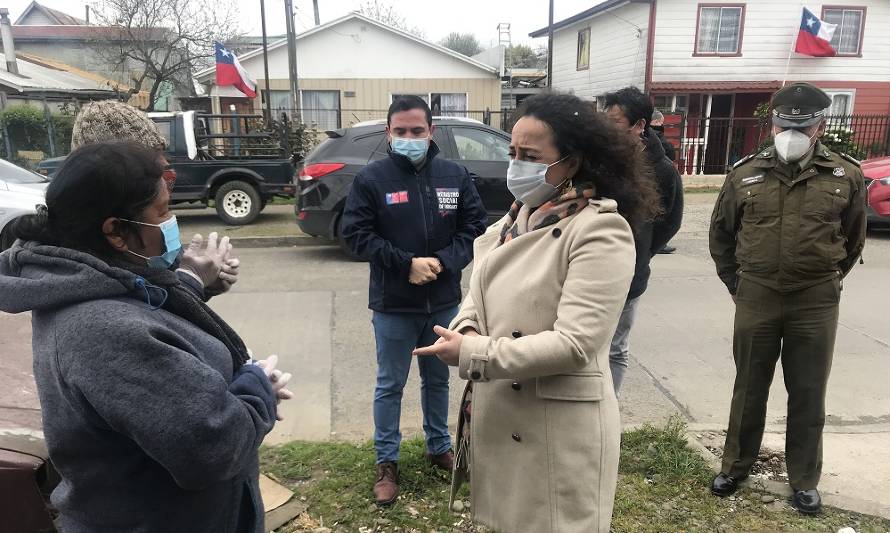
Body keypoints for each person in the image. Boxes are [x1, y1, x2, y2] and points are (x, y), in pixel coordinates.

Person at [0, 142, 293, 532]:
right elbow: (211, 447)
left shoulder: (87, 279)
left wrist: (188, 282)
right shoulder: (103, 332)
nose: (172, 223)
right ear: (116, 232)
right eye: (163, 212)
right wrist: (258, 387)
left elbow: (138, 305)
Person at [414, 92, 661, 532]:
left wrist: (474, 353)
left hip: (556, 427)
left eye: (531, 155)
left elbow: (576, 344)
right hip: (504, 415)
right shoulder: (511, 221)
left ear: (573, 161)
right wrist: (466, 327)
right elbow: (478, 296)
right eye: (512, 153)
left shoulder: (600, 229)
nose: (516, 165)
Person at [708, 82, 867, 514]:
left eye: (803, 123)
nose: (792, 130)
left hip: (815, 300)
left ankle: (804, 479)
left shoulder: (845, 174)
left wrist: (827, 278)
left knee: (809, 390)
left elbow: (853, 240)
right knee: (749, 386)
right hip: (756, 293)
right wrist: (737, 284)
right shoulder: (744, 173)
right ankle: (736, 466)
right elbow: (721, 235)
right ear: (772, 122)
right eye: (784, 122)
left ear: (818, 126)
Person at [340, 95, 487, 505]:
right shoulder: (372, 179)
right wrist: (405, 264)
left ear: (430, 132)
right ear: (389, 133)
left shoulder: (454, 176)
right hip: (393, 304)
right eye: (400, 131)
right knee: (390, 384)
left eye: (416, 131)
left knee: (438, 379)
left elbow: (474, 227)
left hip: (442, 302)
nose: (409, 138)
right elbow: (356, 235)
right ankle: (386, 462)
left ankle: (438, 445)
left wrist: (441, 262)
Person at [71, 99, 240, 299]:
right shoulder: (87, 285)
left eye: (162, 152)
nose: (164, 164)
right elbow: (151, 317)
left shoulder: (141, 235)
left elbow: (168, 291)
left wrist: (205, 284)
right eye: (151, 156)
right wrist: (191, 281)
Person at [603, 87, 684, 394]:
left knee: (615, 348)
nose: (608, 127)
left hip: (629, 275)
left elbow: (669, 222)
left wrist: (639, 252)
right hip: (591, 266)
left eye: (616, 121)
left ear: (639, 125)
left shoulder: (660, 169)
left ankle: (608, 412)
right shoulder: (600, 159)